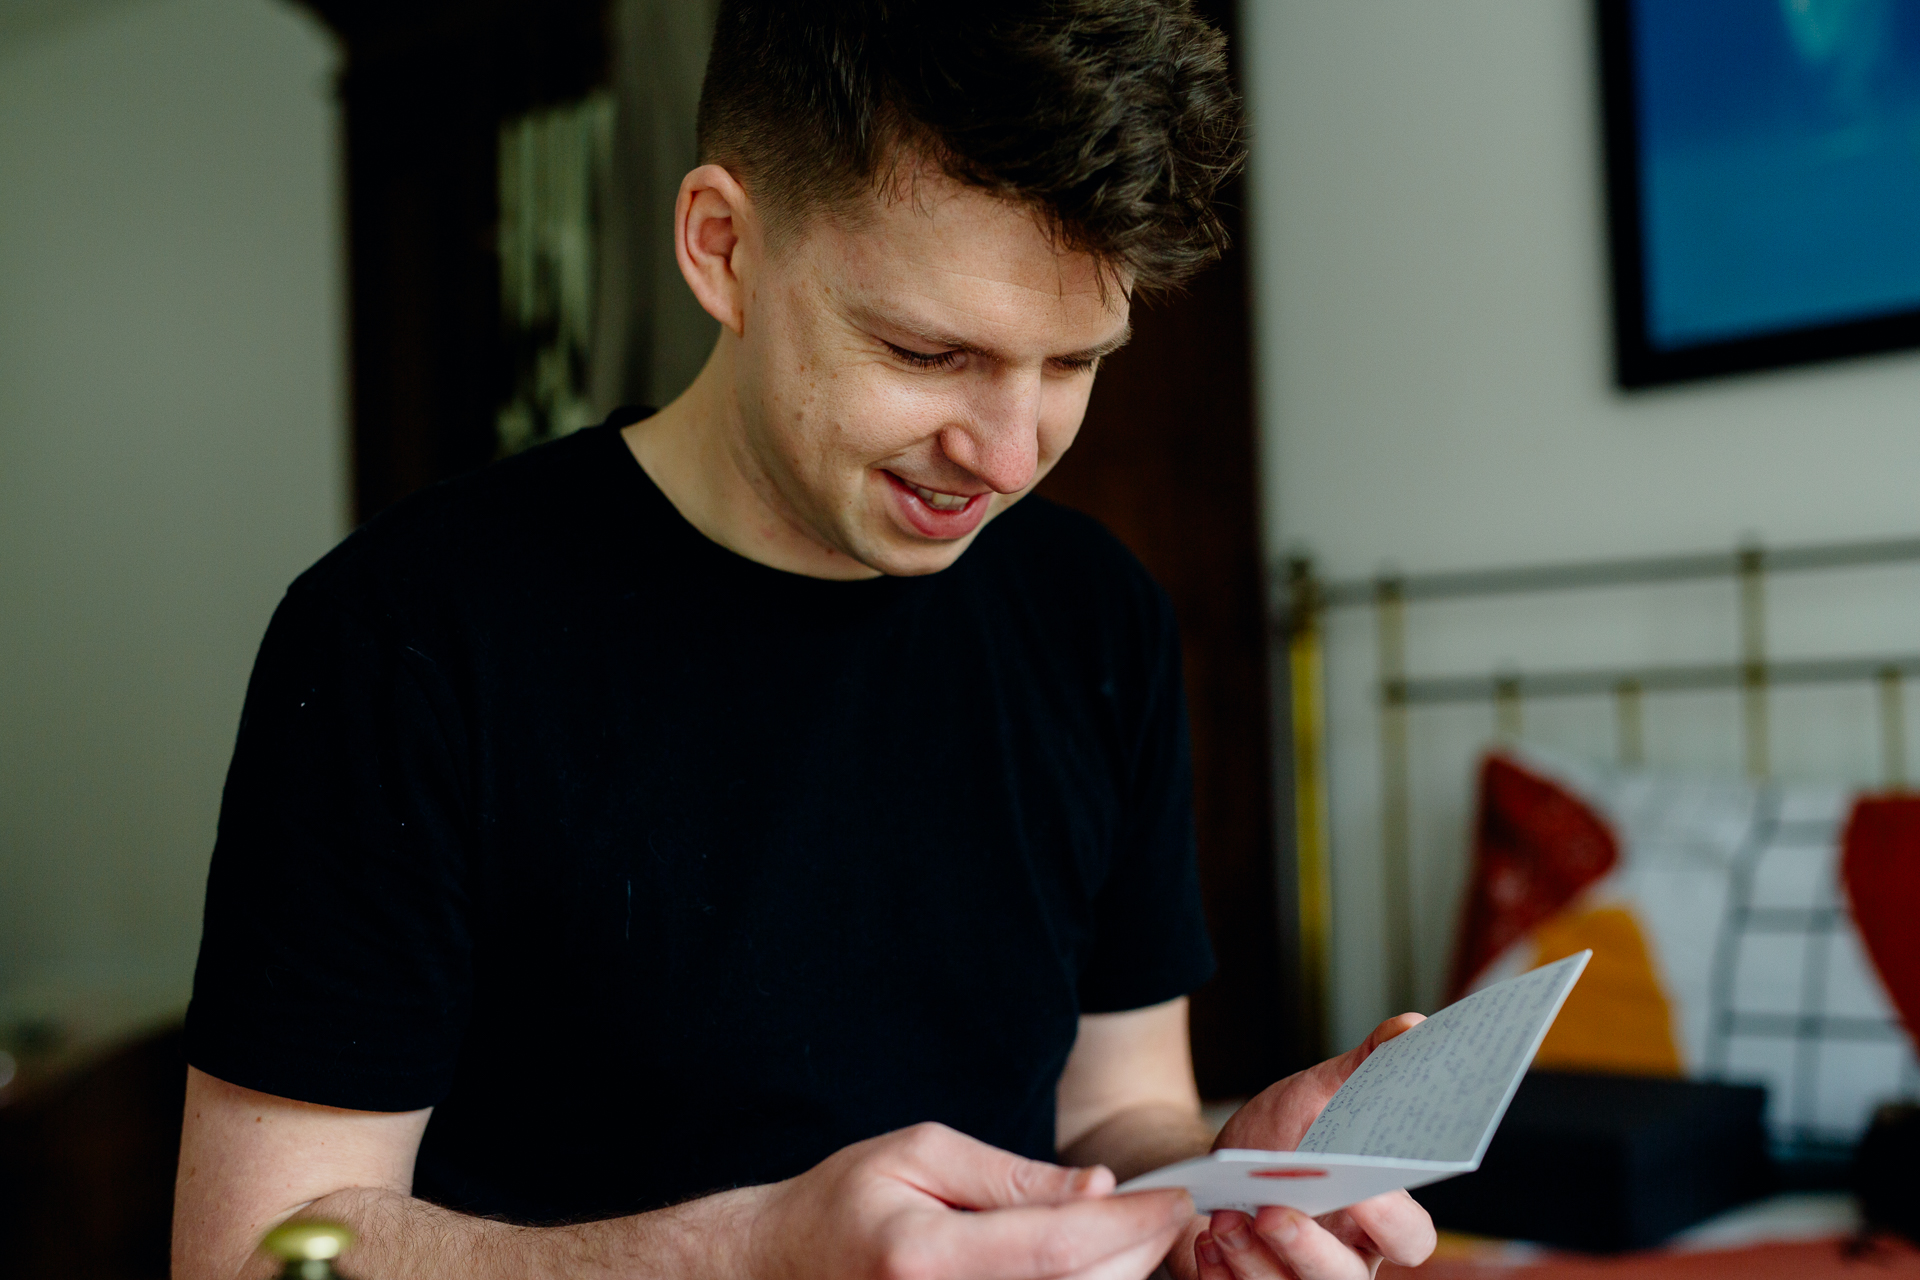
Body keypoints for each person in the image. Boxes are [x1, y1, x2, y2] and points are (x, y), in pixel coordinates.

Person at [172, 3, 1438, 1279]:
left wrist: (1223, 1188)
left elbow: (1109, 1110)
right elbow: (259, 1252)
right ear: (722, 247)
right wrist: (747, 1254)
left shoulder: (1097, 615)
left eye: (1072, 363)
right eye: (927, 350)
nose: (1008, 456)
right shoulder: (402, 636)